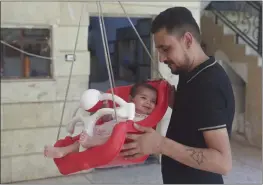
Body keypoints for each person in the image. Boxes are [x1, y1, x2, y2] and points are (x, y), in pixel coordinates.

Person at [120, 7, 235, 184]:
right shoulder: (189, 72)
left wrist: (160, 144)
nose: (161, 58)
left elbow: (223, 162)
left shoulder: (209, 85)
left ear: (188, 40)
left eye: (166, 49)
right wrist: (172, 100)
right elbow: (198, 114)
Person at [44, 82, 157, 159]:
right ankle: (66, 149)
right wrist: (104, 109)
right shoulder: (122, 109)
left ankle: (65, 150)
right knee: (84, 135)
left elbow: (141, 132)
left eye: (153, 101)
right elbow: (107, 118)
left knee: (96, 139)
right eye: (143, 98)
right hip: (101, 132)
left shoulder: (146, 119)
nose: (148, 103)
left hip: (115, 140)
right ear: (131, 99)